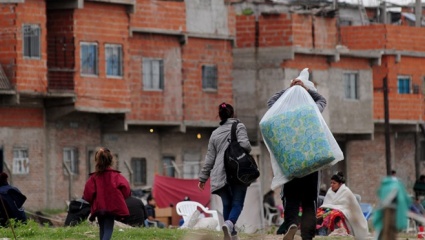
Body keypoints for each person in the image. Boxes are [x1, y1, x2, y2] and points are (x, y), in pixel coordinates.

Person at [267, 68, 326, 240]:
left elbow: (271, 102)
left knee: (291, 197)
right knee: (310, 201)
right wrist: (306, 91)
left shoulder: (283, 112)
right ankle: (307, 236)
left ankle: (291, 224)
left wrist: (290, 89)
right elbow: (322, 100)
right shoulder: (312, 110)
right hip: (310, 163)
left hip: (291, 163)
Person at [198, 102, 252, 240]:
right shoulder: (239, 126)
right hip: (237, 171)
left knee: (227, 203)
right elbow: (245, 145)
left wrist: (203, 178)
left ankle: (230, 235)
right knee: (237, 203)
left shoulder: (214, 133)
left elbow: (210, 158)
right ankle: (229, 224)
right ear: (233, 114)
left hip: (219, 173)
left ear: (220, 116)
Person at [83, 147, 131, 240]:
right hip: (111, 207)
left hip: (99, 207)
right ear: (111, 160)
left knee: (102, 228)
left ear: (97, 161)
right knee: (108, 228)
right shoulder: (116, 176)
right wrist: (120, 198)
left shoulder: (94, 177)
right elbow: (126, 189)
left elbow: (88, 194)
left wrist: (92, 201)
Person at [316, 172, 368, 239]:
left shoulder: (346, 192)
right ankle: (321, 232)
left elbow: (348, 208)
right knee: (320, 213)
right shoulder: (330, 191)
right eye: (331, 183)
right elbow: (326, 204)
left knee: (335, 214)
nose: (332, 185)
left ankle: (340, 232)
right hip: (329, 210)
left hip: (346, 214)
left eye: (334, 183)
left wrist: (335, 210)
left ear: (340, 184)